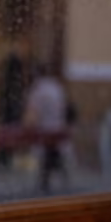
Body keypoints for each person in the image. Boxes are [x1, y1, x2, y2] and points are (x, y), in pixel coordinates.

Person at [23, 64, 68, 194]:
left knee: (49, 154)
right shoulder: (56, 86)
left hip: (45, 129)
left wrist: (27, 126)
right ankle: (53, 180)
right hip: (57, 127)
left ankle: (45, 182)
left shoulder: (38, 90)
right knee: (53, 154)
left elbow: (32, 114)